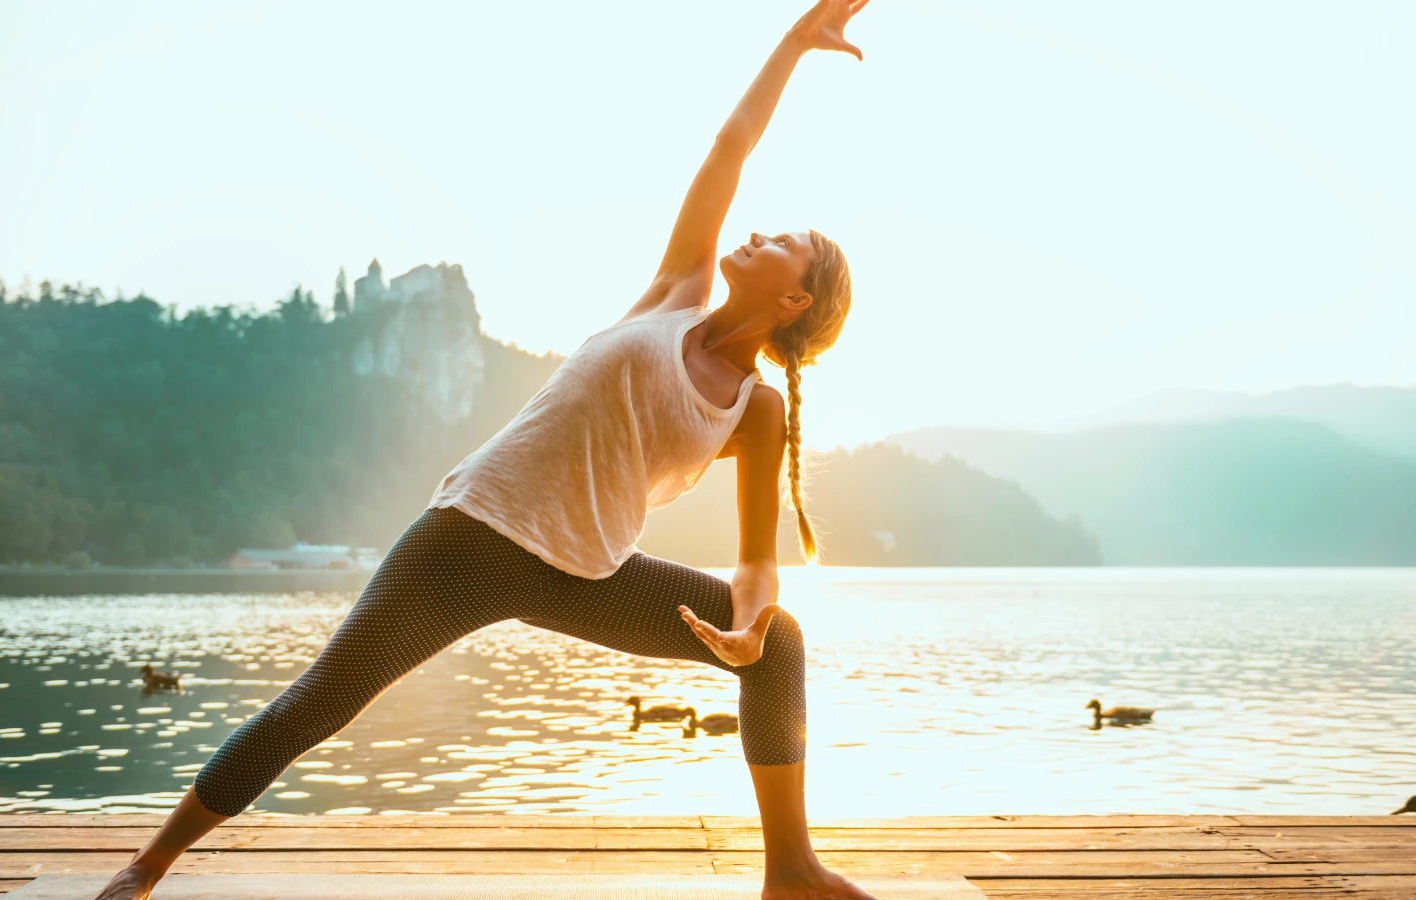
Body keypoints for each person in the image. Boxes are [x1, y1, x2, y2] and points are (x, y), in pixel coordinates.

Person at [93, 1, 871, 897]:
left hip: (586, 573)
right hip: (467, 538)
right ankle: (146, 865)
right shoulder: (676, 291)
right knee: (321, 702)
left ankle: (790, 873)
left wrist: (747, 625)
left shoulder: (755, 411)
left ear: (793, 305)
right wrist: (791, 46)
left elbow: (753, 562)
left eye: (788, 247)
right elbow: (731, 146)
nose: (762, 233)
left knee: (780, 649)